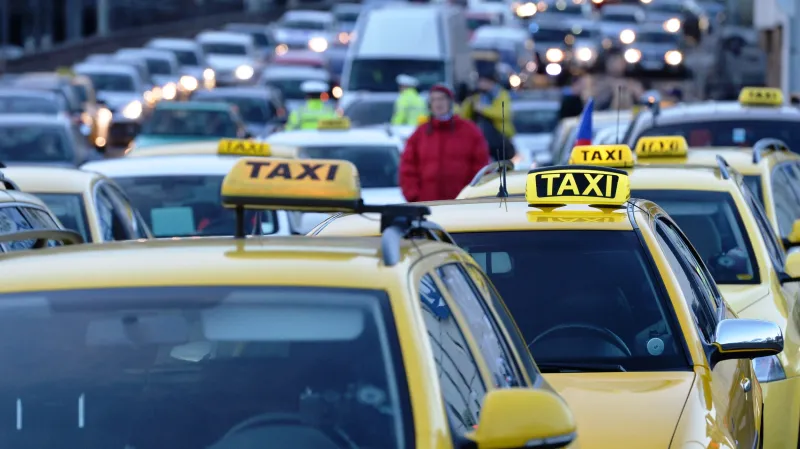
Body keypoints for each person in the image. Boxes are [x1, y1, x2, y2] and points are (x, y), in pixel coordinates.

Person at [399, 83, 489, 202]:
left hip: (461, 205)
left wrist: (472, 195)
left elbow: (481, 166)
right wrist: (414, 196)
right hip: (427, 206)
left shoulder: (470, 131)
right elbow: (407, 168)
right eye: (434, 99)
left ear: (450, 102)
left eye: (441, 98)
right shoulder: (420, 133)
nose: (438, 103)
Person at [460, 67, 515, 161]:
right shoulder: (476, 96)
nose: (482, 84)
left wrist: (483, 109)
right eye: (480, 82)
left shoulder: (501, 95)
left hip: (500, 139)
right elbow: (463, 116)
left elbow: (503, 114)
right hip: (480, 138)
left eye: (485, 81)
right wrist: (469, 101)